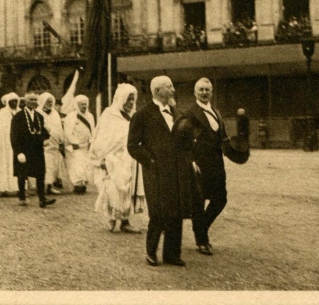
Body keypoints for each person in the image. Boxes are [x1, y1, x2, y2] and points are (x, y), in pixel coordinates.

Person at [127, 75, 193, 267]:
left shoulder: (177, 113)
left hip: (177, 170)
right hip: (156, 172)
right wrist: (150, 160)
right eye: (169, 87)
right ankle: (151, 252)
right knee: (158, 212)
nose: (173, 90)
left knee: (176, 210)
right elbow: (133, 145)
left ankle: (172, 254)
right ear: (157, 91)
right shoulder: (142, 115)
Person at [184, 78, 229, 256]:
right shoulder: (190, 113)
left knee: (221, 198)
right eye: (201, 90)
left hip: (216, 163)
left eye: (207, 90)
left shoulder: (215, 111)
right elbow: (184, 139)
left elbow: (221, 136)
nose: (204, 93)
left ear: (211, 92)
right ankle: (201, 240)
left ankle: (201, 228)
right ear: (195, 93)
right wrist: (191, 161)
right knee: (199, 201)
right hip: (199, 163)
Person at [90, 84, 144, 233]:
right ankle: (111, 218)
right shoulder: (109, 114)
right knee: (112, 189)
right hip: (112, 159)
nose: (131, 103)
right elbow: (100, 138)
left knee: (127, 190)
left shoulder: (133, 116)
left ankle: (125, 221)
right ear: (121, 99)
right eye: (128, 99)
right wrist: (101, 158)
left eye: (133, 99)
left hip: (129, 158)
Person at [11, 92, 56, 208]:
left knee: (41, 173)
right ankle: (22, 196)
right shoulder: (18, 116)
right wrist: (18, 152)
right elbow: (14, 135)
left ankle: (42, 198)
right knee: (22, 174)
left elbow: (41, 132)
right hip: (23, 149)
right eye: (31, 100)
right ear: (25, 102)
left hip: (37, 149)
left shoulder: (39, 116)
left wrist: (46, 136)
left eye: (35, 100)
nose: (34, 102)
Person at [64, 94, 95, 194]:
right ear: (77, 105)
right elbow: (68, 131)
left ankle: (83, 182)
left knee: (85, 165)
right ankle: (78, 184)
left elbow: (92, 130)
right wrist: (74, 142)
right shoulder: (71, 116)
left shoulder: (90, 116)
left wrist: (91, 141)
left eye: (85, 104)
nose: (84, 106)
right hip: (75, 146)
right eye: (82, 104)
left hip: (86, 145)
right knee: (76, 165)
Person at [37, 92, 65, 195]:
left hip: (54, 144)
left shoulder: (54, 113)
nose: (49, 103)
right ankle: (46, 186)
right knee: (46, 165)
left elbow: (59, 128)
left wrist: (61, 140)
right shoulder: (38, 112)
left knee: (53, 165)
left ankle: (50, 184)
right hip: (43, 144)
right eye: (47, 101)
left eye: (51, 102)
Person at [0, 92, 20, 195]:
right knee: (5, 164)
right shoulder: (3, 112)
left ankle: (18, 187)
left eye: (15, 101)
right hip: (5, 143)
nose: (13, 103)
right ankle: (4, 188)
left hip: (17, 142)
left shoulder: (20, 112)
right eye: (11, 101)